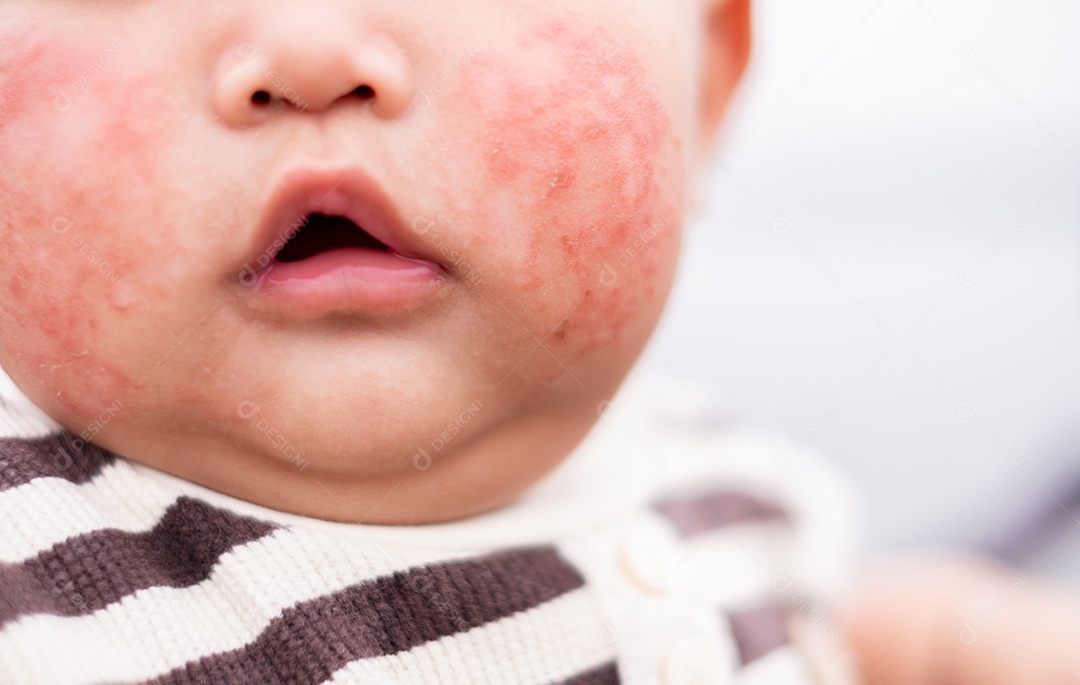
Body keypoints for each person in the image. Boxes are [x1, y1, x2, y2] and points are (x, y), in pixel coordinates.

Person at [1, 1, 1076, 683]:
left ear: (703, 89)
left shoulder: (717, 481)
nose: (312, 51)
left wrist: (941, 641)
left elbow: (809, 634)